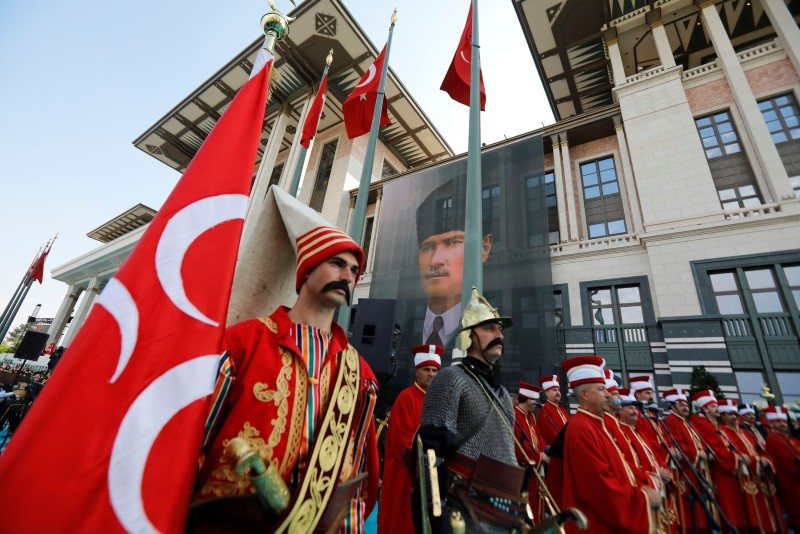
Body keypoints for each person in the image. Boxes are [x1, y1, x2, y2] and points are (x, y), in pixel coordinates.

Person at [191, 196, 380, 533]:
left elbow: (358, 471)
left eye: (354, 270)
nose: (348, 275)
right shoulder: (243, 342)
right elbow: (193, 439)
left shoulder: (361, 374)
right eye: (337, 263)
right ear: (306, 270)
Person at [417, 288, 527, 532]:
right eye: (489, 328)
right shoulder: (450, 379)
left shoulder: (501, 393)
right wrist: (437, 514)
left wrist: (520, 514)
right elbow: (432, 456)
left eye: (500, 329)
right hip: (464, 509)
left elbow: (506, 454)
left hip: (502, 509)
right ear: (469, 336)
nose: (499, 335)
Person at [560, 355, 661, 533]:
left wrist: (646, 479)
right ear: (584, 394)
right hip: (597, 523)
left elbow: (620, 465)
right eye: (601, 389)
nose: (607, 394)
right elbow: (599, 487)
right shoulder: (582, 427)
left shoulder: (596, 423)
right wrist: (642, 498)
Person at [416, 177, 493, 348]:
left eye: (452, 243)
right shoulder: (403, 331)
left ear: (484, 248)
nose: (435, 261)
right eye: (427, 248)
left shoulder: (491, 332)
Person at [377, 344, 442, 533]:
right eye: (426, 369)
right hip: (407, 477)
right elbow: (404, 445)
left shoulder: (439, 401)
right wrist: (427, 468)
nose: (431, 374)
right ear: (417, 372)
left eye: (435, 370)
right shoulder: (405, 399)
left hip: (431, 476)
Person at [717, 399, 782, 533]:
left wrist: (765, 460)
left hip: (759, 477)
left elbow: (762, 451)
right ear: (722, 415)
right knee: (751, 515)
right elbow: (729, 456)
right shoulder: (722, 432)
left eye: (735, 414)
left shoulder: (746, 433)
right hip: (745, 478)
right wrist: (753, 461)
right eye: (729, 414)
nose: (734, 416)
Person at [690, 390, 741, 532]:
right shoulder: (701, 423)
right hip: (715, 467)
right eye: (712, 406)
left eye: (716, 405)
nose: (716, 408)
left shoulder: (714, 423)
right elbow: (714, 446)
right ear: (704, 408)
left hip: (725, 463)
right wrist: (733, 459)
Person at [513, 381, 548, 523]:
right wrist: (540, 456)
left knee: (538, 504)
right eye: (534, 403)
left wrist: (542, 452)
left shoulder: (530, 416)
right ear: (529, 401)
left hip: (536, 467)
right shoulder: (515, 417)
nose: (536, 406)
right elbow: (519, 448)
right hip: (524, 471)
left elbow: (539, 438)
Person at [764, 406, 800, 531]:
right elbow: (785, 460)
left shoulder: (793, 439)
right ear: (772, 423)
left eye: (784, 421)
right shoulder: (773, 439)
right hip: (789, 479)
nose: (782, 424)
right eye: (778, 421)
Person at [535, 373, 569, 507]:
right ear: (547, 392)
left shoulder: (562, 409)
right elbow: (552, 436)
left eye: (559, 390)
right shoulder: (544, 411)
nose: (558, 392)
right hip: (556, 458)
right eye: (554, 390)